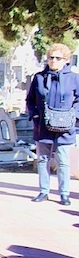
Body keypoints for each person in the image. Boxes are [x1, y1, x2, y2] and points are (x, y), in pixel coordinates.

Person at [27, 43, 78, 206]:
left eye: (58, 58)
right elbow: (31, 99)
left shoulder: (74, 79)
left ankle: (64, 193)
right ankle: (44, 191)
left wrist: (74, 115)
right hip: (43, 126)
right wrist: (35, 115)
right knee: (43, 159)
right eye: (51, 57)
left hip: (65, 127)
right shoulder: (39, 78)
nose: (53, 61)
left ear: (66, 60)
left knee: (63, 160)